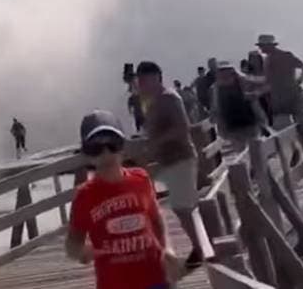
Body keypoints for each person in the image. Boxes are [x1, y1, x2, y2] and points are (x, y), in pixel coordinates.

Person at [65, 110, 180, 289]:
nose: (106, 153)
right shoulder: (84, 196)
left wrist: (168, 249)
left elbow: (157, 220)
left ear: (122, 147)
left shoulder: (141, 179)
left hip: (155, 278)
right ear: (87, 154)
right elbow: (72, 244)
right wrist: (81, 253)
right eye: (96, 147)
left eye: (112, 144)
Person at [135, 61, 203, 269]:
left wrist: (157, 142)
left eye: (145, 79)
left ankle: (202, 249)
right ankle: (201, 246)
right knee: (182, 207)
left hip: (180, 157)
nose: (142, 84)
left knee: (184, 208)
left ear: (156, 77)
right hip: (167, 160)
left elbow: (183, 128)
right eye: (140, 80)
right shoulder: (152, 101)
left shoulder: (170, 98)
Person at [256, 34, 303, 131]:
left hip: (282, 98)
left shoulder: (271, 60)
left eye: (262, 46)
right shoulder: (285, 56)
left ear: (269, 46)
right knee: (302, 126)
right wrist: (298, 82)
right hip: (291, 95)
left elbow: (269, 82)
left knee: (284, 130)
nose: (260, 49)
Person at [211, 61, 266, 150]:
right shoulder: (217, 88)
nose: (224, 75)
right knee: (242, 153)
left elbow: (265, 82)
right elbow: (217, 108)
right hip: (232, 127)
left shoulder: (243, 81)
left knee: (255, 150)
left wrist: (256, 94)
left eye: (226, 71)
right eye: (221, 72)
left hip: (250, 122)